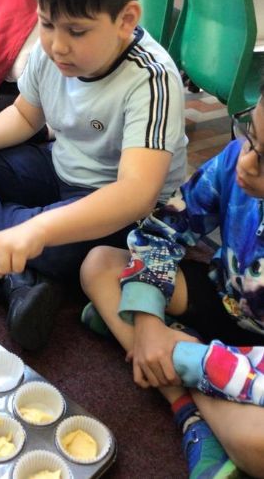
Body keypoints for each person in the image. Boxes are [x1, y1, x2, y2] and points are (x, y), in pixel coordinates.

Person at [0, 0, 188, 351]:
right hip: (60, 169)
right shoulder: (47, 53)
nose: (57, 45)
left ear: (126, 19)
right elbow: (24, 115)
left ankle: (11, 260)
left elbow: (136, 196)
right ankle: (19, 273)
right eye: (47, 23)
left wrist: (38, 229)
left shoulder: (152, 78)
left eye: (77, 30)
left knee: (54, 244)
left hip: (122, 212)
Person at [80, 91, 264, 477]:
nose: (246, 161)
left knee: (257, 445)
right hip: (224, 298)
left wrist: (189, 358)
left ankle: (181, 394)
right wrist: (148, 321)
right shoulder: (235, 160)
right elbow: (164, 230)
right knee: (99, 264)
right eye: (252, 137)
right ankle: (178, 383)